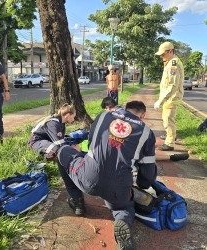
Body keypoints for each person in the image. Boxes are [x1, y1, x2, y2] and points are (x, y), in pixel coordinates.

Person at [57, 100, 157, 250]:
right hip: (118, 188)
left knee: (63, 151)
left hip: (88, 178)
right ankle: (122, 220)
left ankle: (77, 201)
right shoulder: (147, 133)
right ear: (143, 115)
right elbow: (146, 180)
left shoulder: (103, 116)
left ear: (125, 108)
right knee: (124, 207)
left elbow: (91, 148)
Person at [101, 97, 189, 162]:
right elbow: (148, 160)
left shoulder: (107, 120)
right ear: (143, 115)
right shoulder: (144, 131)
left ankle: (173, 157)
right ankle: (172, 157)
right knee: (144, 155)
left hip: (103, 159)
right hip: (124, 164)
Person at [154, 41, 184, 151]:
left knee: (168, 119)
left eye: (163, 54)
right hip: (169, 97)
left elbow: (172, 85)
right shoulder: (170, 61)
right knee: (166, 118)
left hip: (171, 97)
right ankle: (170, 135)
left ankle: (170, 143)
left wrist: (160, 100)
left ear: (170, 51)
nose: (161, 56)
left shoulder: (173, 64)